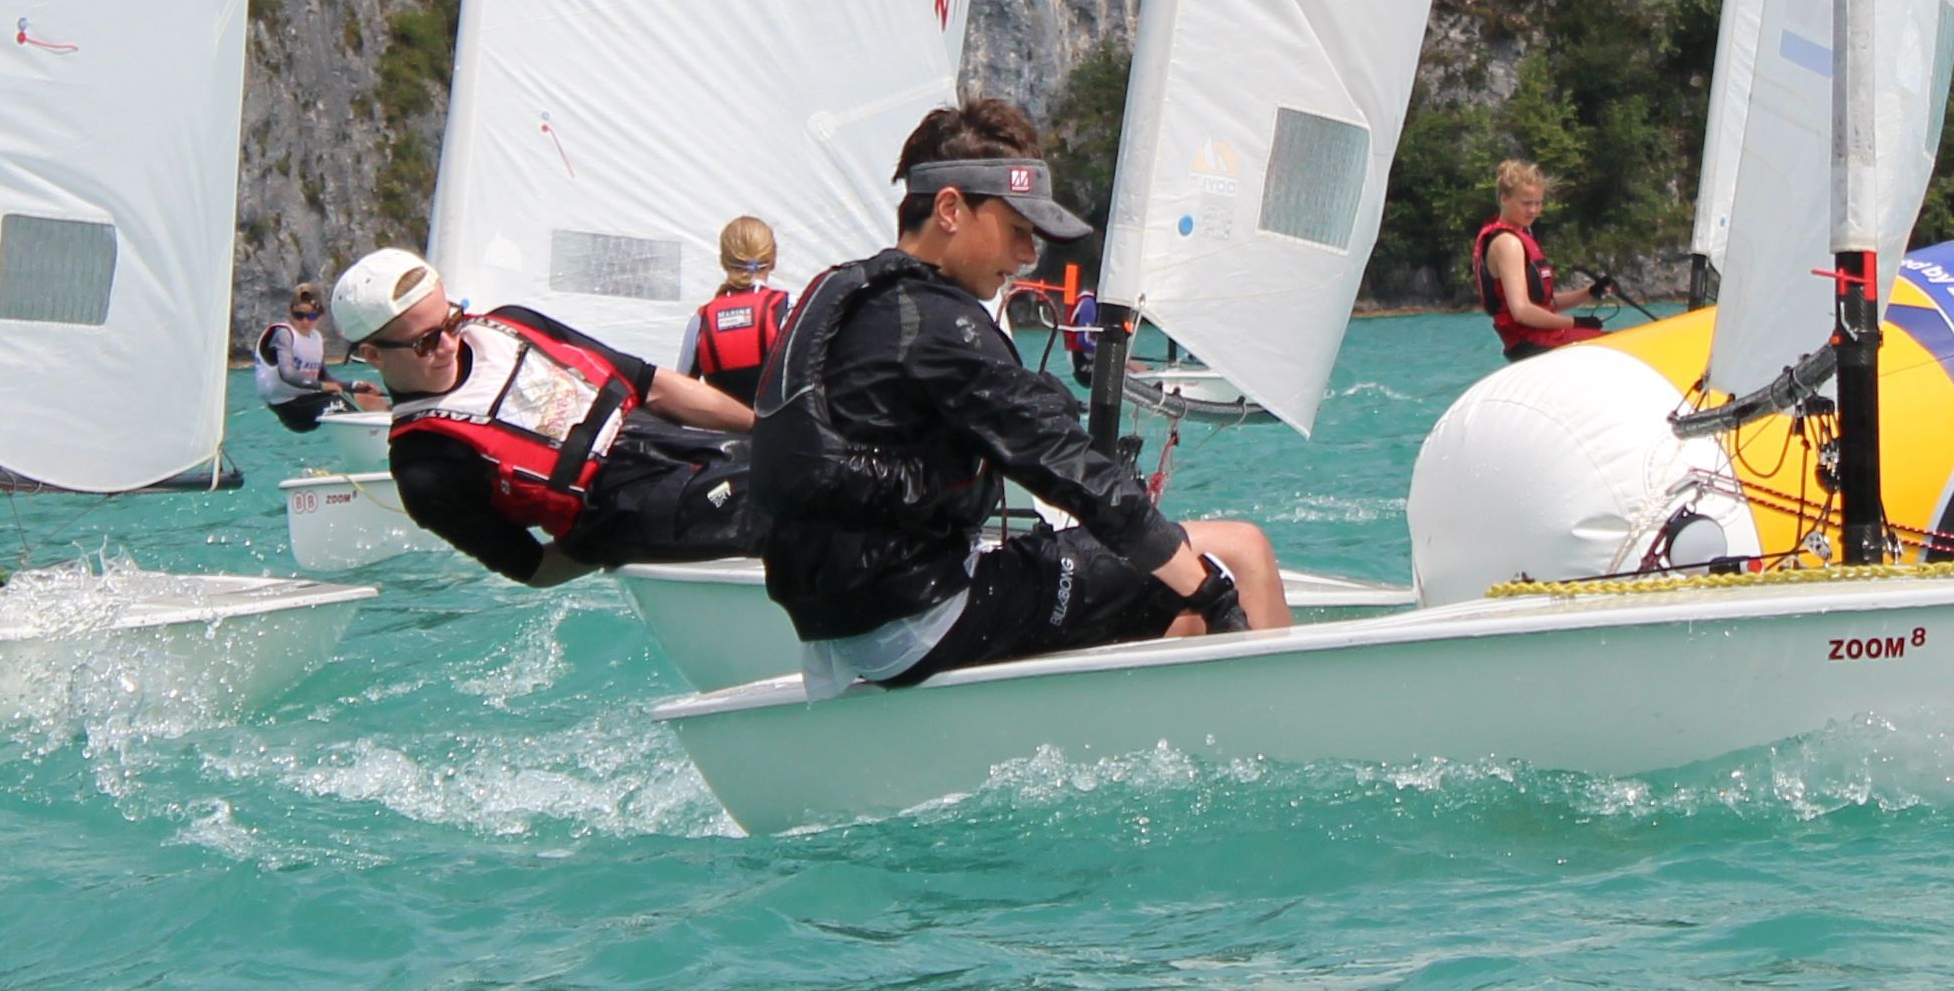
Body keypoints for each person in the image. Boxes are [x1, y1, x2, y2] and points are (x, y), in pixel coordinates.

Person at [752, 98, 1291, 698]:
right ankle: (1283, 720)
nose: (1028, 255)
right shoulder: (941, 325)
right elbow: (1074, 472)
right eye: (1017, 230)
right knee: (1241, 553)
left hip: (846, 625)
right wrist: (1211, 591)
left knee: (1168, 601)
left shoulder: (859, 300)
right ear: (951, 209)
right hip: (920, 622)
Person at [330, 247, 762, 586]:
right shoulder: (424, 466)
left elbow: (652, 385)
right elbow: (532, 566)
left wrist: (766, 427)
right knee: (777, 500)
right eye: (425, 342)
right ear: (372, 355)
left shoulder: (515, 324)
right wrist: (607, 543)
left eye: (452, 321)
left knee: (788, 461)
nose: (447, 345)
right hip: (631, 514)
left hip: (690, 453)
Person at [1473, 159, 1613, 362]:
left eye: (1538, 203)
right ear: (1504, 199)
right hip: (1532, 343)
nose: (1533, 210)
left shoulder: (1520, 235)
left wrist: (1589, 292)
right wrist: (1576, 323)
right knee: (1614, 345)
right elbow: (1521, 311)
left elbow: (1545, 304)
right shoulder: (1507, 243)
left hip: (1544, 337)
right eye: (1526, 203)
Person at [677, 216, 789, 407]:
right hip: (780, 423)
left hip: (723, 425)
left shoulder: (702, 319)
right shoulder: (791, 307)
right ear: (773, 260)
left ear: (723, 261)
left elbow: (680, 392)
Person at [253, 281, 383, 433]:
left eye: (311, 316)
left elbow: (325, 379)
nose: (305, 321)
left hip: (307, 400)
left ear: (320, 315)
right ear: (291, 312)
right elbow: (287, 374)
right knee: (343, 403)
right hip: (288, 407)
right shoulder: (283, 334)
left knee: (369, 399)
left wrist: (354, 386)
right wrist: (322, 387)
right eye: (299, 315)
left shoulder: (316, 338)